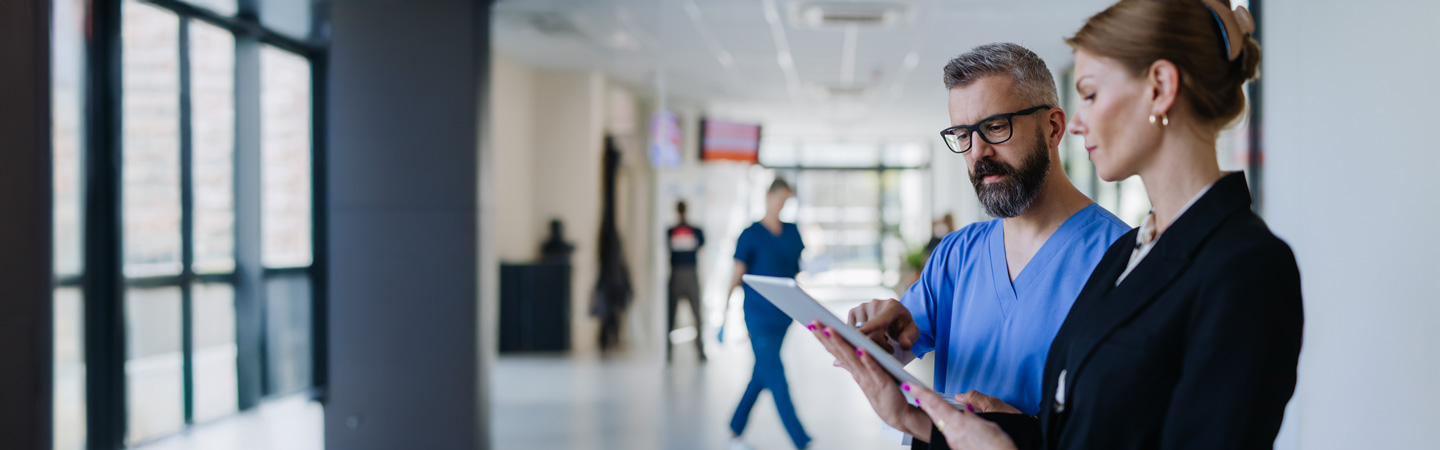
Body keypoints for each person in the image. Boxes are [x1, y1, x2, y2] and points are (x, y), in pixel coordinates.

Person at [818, 1, 1304, 449]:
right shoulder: (1134, 253)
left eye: (1090, 93)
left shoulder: (1241, 266)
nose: (1077, 122)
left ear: (1159, 88)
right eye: (963, 135)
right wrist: (915, 418)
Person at [807, 42, 1132, 444]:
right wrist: (879, 341)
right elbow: (900, 344)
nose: (978, 152)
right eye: (963, 134)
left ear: (1053, 127)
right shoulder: (956, 254)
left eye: (996, 127)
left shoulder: (1123, 262)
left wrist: (1032, 435)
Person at [726, 178, 810, 450]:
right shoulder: (750, 234)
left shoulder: (792, 231)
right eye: (780, 199)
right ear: (768, 197)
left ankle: (735, 427)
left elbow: (795, 272)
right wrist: (724, 313)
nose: (783, 205)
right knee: (775, 373)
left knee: (762, 371)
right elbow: (737, 274)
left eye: (787, 201)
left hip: (784, 314)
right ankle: (801, 441)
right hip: (757, 314)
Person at [666, 200, 707, 363]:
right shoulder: (672, 231)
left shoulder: (692, 230)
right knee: (673, 315)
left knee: (696, 315)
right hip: (681, 274)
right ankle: (669, 351)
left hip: (686, 273)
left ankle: (699, 350)